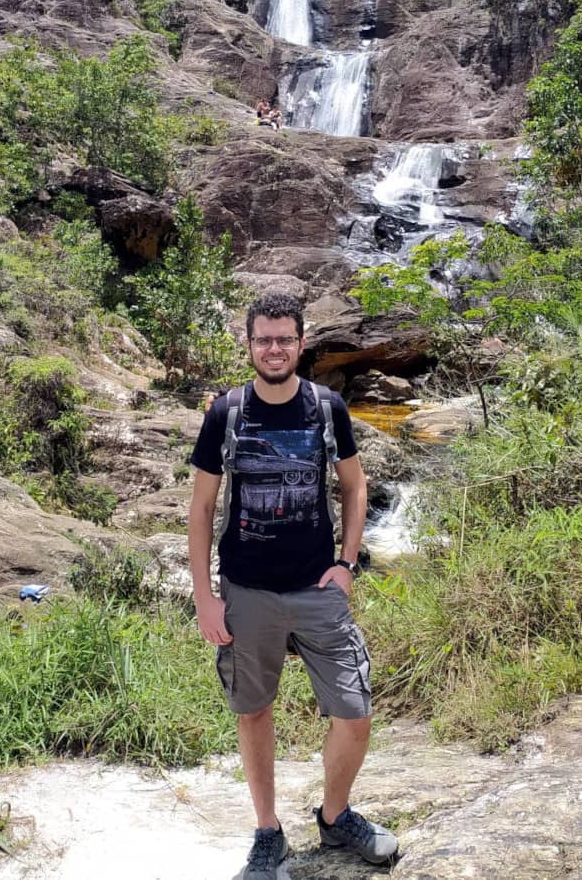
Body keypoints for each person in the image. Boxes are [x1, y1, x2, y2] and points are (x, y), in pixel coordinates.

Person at [189, 293, 398, 878]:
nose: (274, 349)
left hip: (317, 590)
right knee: (253, 711)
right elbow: (201, 509)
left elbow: (354, 485)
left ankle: (335, 817)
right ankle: (267, 832)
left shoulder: (327, 408)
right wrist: (205, 596)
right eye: (264, 339)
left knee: (354, 711)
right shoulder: (226, 413)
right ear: (249, 345)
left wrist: (347, 564)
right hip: (246, 591)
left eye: (284, 339)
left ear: (301, 344)